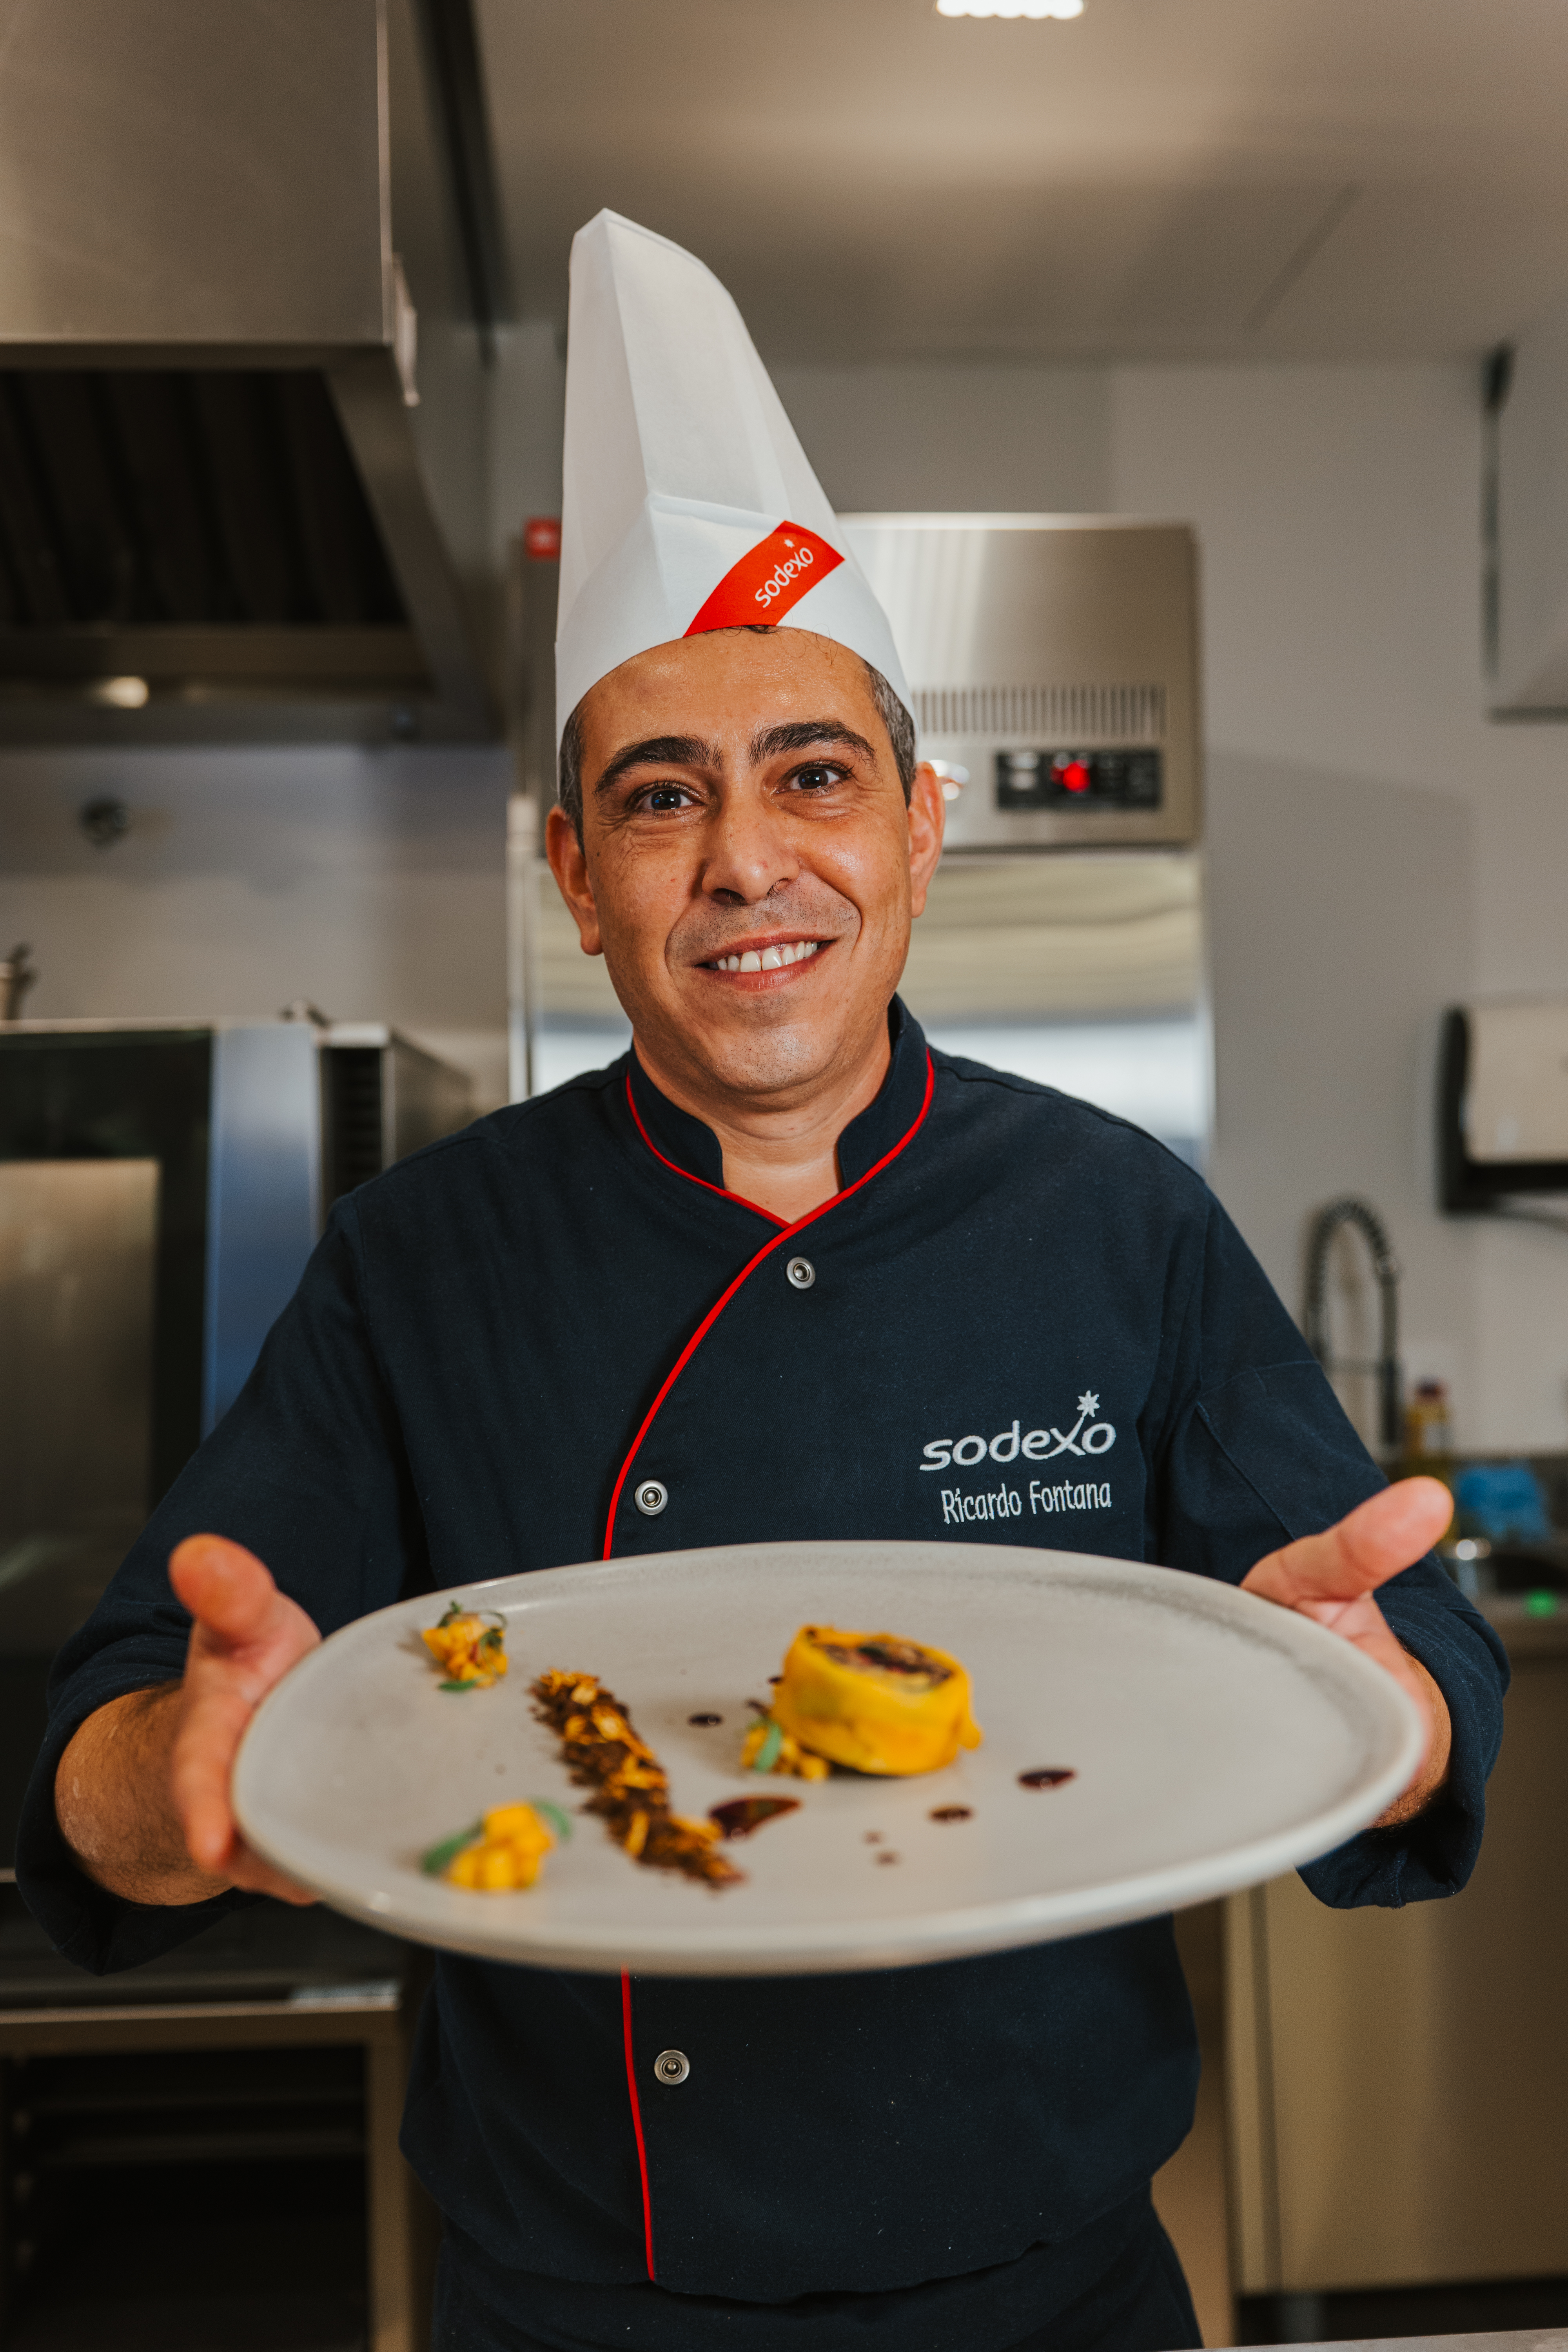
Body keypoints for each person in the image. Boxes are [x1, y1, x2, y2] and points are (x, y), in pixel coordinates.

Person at [24, 215, 1506, 2352]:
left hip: (1053, 2292)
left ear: (921, 826)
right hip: (580, 2300)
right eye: (659, 797)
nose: (745, 861)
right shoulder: (421, 1260)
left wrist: (1384, 1700)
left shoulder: (1115, 1218)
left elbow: (1420, 1671)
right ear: (579, 876)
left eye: (813, 775)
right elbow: (106, 1748)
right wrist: (176, 1771)